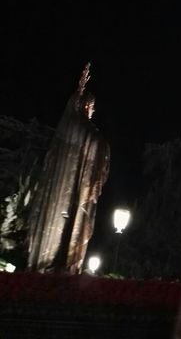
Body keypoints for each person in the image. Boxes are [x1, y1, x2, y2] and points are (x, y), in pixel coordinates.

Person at [27, 64, 110, 274]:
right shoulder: (80, 130)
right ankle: (57, 263)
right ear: (85, 105)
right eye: (91, 106)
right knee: (68, 224)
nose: (93, 111)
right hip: (67, 195)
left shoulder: (70, 132)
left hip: (62, 195)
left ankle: (50, 262)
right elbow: (96, 144)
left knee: (66, 223)